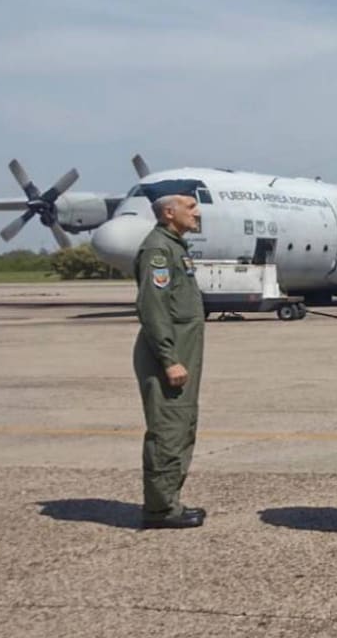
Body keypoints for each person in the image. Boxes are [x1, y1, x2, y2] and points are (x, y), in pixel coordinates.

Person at [132, 179, 207, 529]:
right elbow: (153, 307)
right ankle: (161, 510)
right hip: (170, 354)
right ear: (168, 212)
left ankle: (169, 502)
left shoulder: (175, 247)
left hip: (182, 351)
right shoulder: (158, 250)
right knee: (168, 428)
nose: (197, 212)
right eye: (189, 207)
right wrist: (168, 358)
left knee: (180, 425)